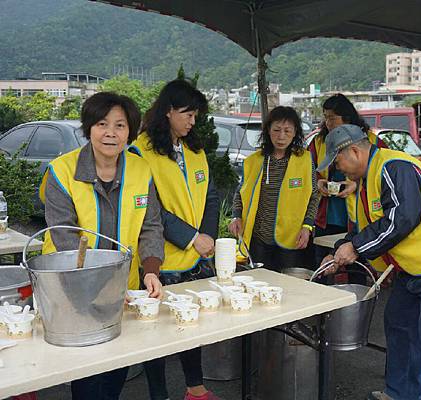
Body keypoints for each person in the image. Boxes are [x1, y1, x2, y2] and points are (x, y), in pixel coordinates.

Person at [318, 124, 421, 400]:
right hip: (414, 267)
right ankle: (402, 394)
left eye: (337, 161)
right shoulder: (366, 181)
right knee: (399, 324)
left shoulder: (394, 166)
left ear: (353, 151)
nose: (337, 169)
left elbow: (402, 218)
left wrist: (356, 248)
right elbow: (365, 227)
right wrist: (340, 249)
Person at [40, 92, 164, 400]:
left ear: (130, 132)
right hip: (72, 288)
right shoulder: (61, 172)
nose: (111, 133)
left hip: (124, 290)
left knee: (116, 365)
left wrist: (151, 270)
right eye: (101, 123)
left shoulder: (140, 170)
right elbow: (65, 237)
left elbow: (151, 225)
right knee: (86, 373)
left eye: (120, 125)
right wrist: (100, 291)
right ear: (88, 128)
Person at [130, 79, 221, 400]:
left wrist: (207, 235)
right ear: (168, 111)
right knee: (156, 334)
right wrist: (192, 236)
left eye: (195, 115)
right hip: (161, 259)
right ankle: (159, 394)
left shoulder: (194, 149)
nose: (192, 121)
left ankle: (195, 388)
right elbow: (148, 209)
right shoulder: (140, 151)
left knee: (190, 324)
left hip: (196, 259)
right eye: (187, 114)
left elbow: (211, 194)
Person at [229, 106, 319, 271]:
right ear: (268, 131)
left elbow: (314, 196)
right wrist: (236, 217)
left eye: (287, 131)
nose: (281, 136)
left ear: (295, 132)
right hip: (259, 239)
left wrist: (307, 227)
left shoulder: (305, 160)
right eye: (276, 130)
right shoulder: (254, 161)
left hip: (291, 238)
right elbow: (240, 192)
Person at [308, 93, 387, 279]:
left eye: (332, 118)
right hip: (326, 213)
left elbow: (379, 167)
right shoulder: (318, 141)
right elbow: (307, 171)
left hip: (357, 212)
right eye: (325, 117)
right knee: (325, 261)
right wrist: (318, 182)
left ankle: (354, 301)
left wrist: (356, 184)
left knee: (355, 264)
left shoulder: (371, 142)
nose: (327, 122)